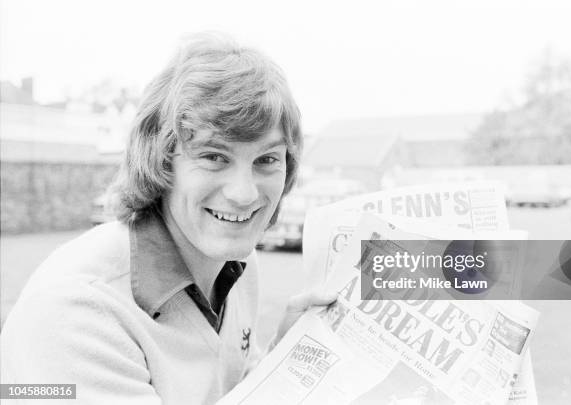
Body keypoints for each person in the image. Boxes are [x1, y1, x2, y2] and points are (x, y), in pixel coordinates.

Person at [1, 32, 336, 404]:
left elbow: (231, 390)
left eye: (266, 160)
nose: (245, 193)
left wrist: (282, 361)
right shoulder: (77, 312)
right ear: (161, 161)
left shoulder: (237, 262)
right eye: (214, 156)